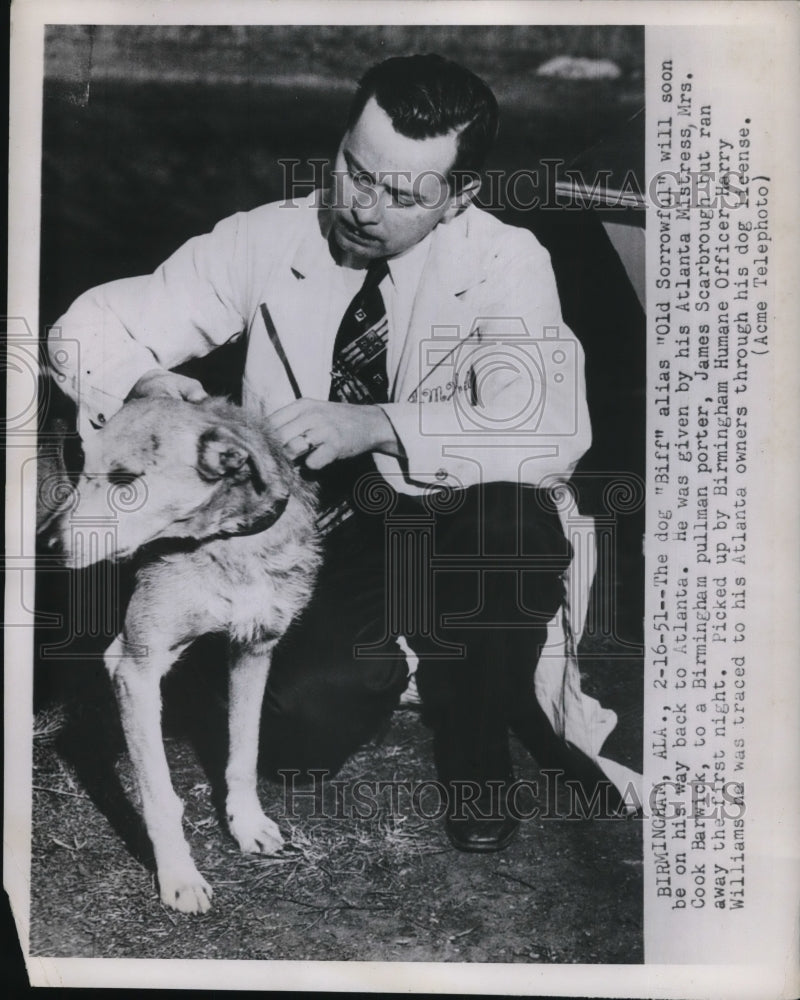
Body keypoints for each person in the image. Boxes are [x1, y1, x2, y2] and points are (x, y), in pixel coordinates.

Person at [49, 54, 614, 852]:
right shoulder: (264, 238)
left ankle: (480, 747)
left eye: (403, 195)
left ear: (459, 199)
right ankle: (413, 660)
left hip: (448, 517)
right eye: (354, 170)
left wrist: (382, 424)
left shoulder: (505, 261)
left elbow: (553, 426)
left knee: (513, 525)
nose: (361, 208)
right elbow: (83, 332)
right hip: (319, 533)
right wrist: (144, 380)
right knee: (298, 732)